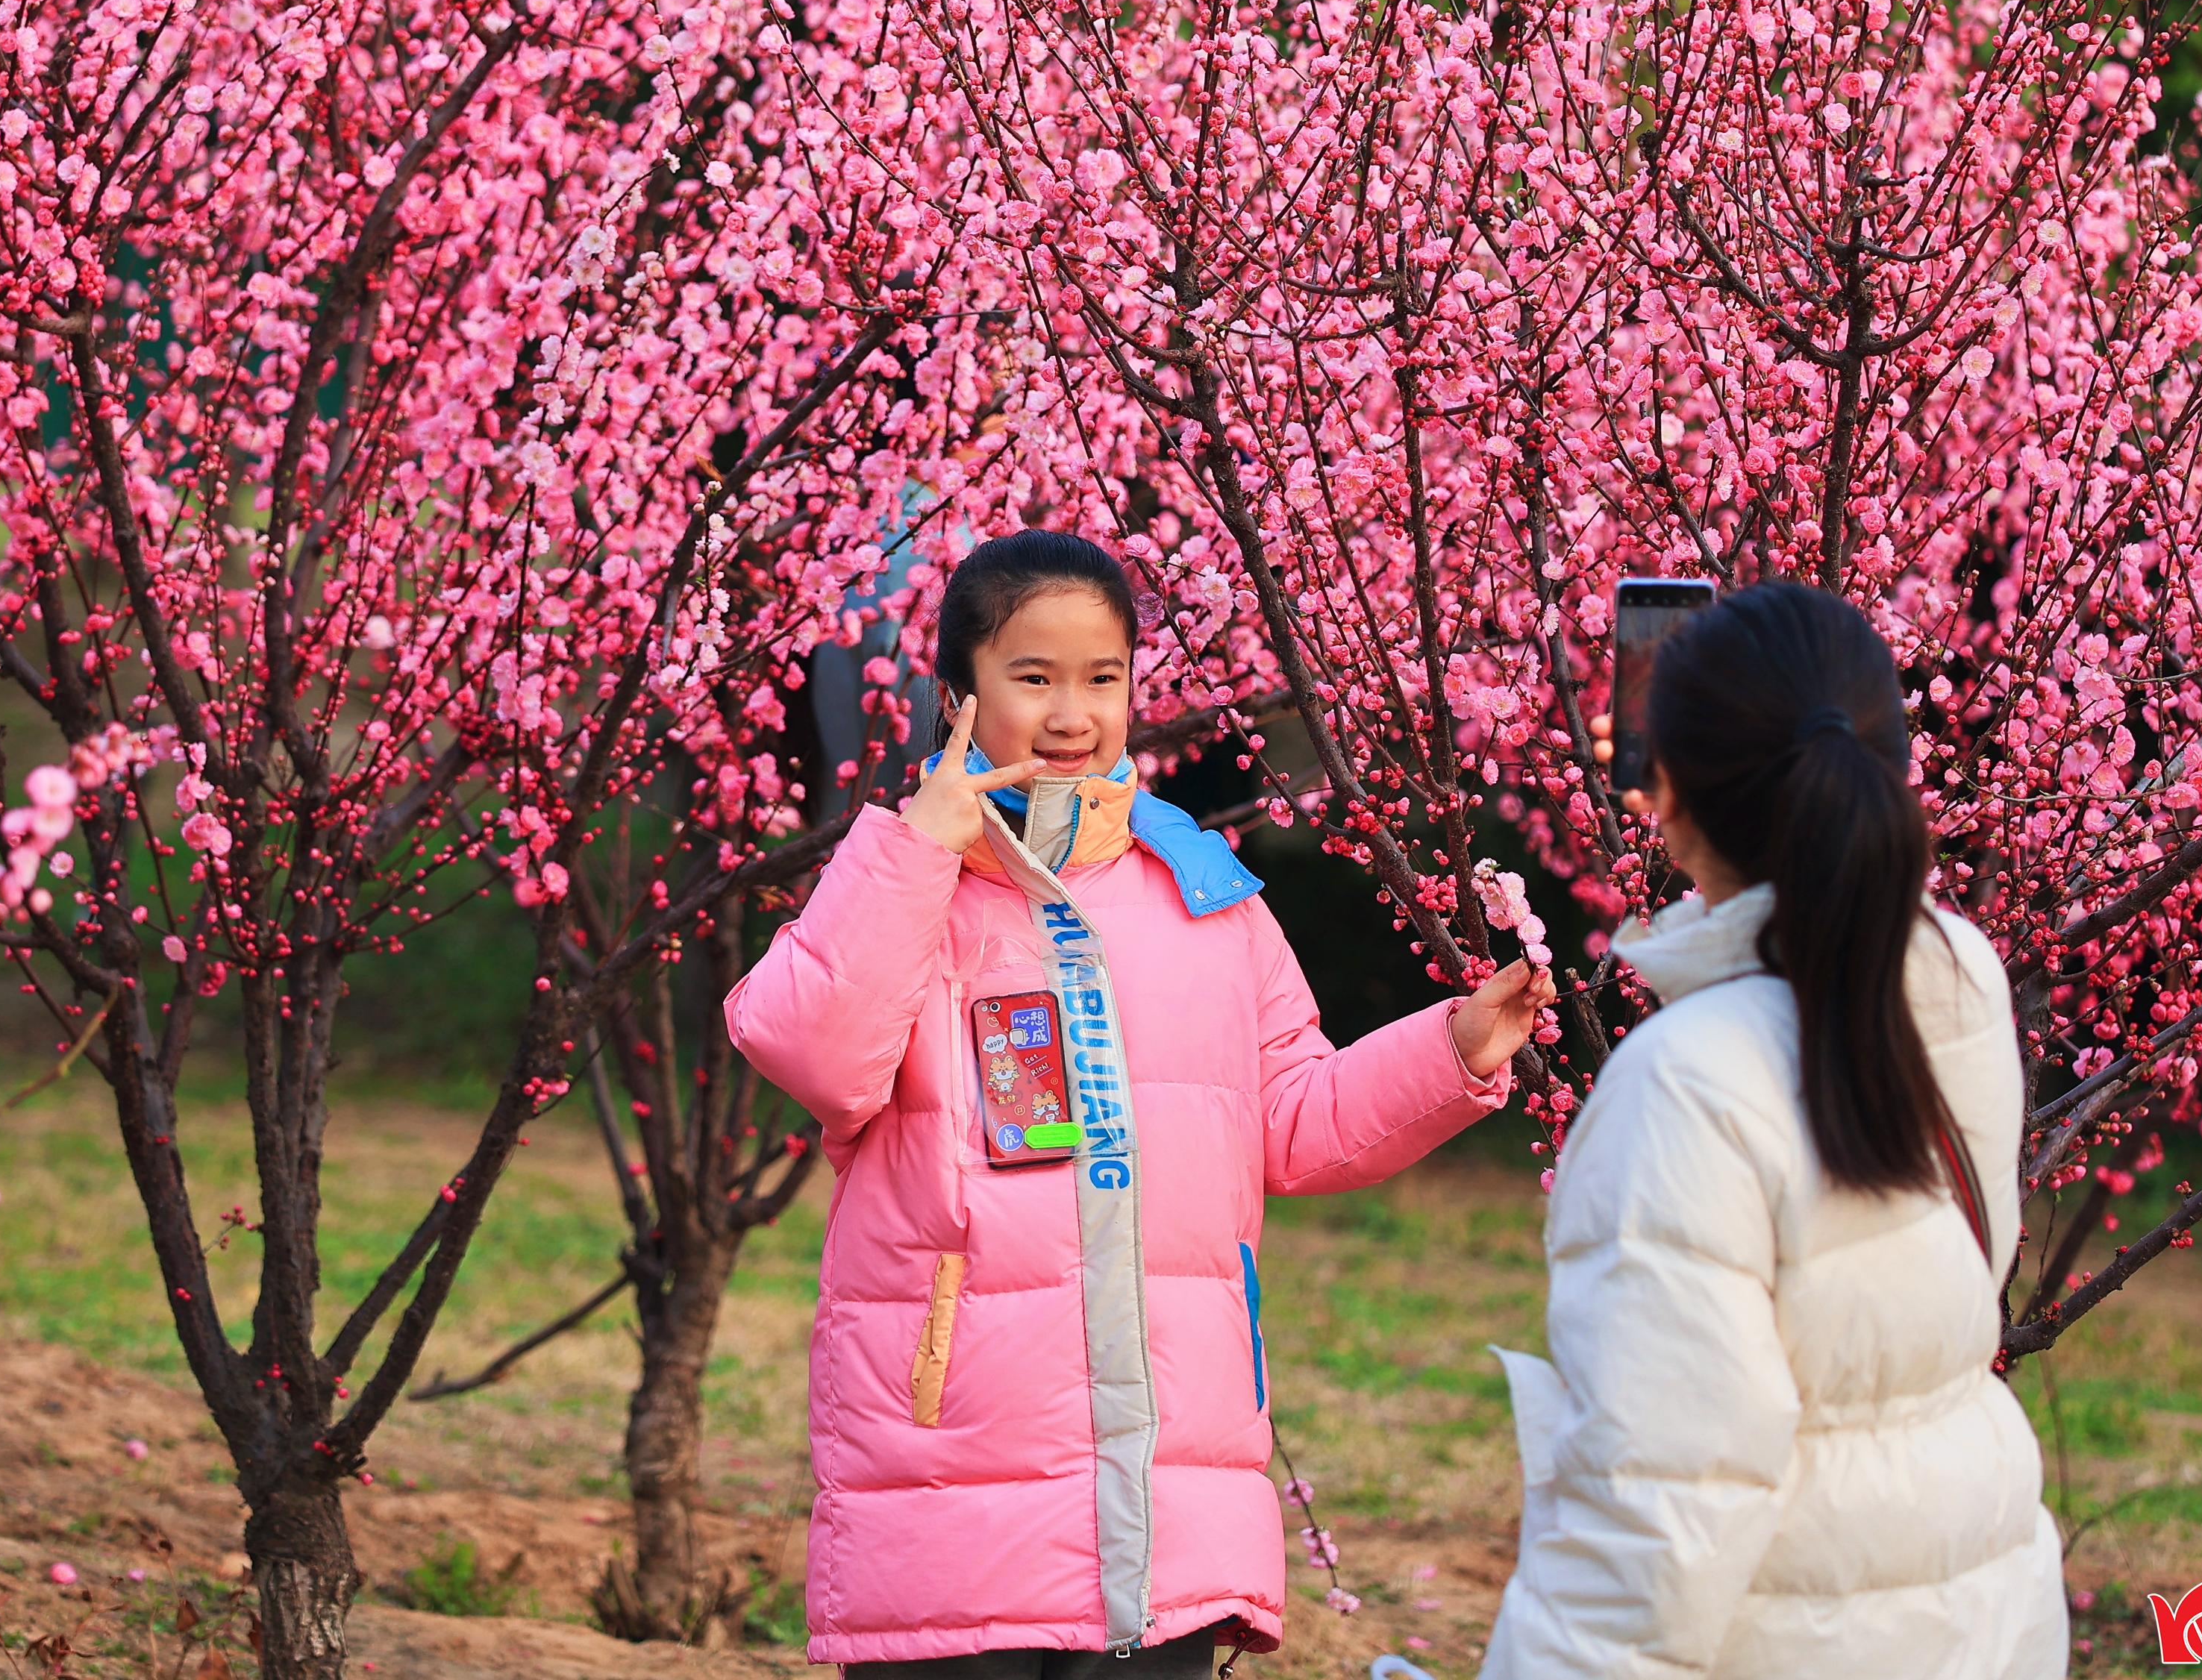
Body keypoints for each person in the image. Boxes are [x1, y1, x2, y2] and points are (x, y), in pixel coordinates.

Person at [727, 529, 1551, 1676]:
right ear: (959, 695)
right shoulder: (908, 885)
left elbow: (1297, 1119)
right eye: (1034, 677)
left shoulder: (1203, 894)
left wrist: (1454, 1047)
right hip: (952, 1485)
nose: (1073, 713)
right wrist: (921, 846)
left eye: (1102, 679)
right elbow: (815, 1050)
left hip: (1172, 1495)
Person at [1478, 580, 2065, 1680]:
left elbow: (1655, 1523)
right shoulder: (1956, 973)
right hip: (1979, 1608)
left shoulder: (1686, 1085)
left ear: (1669, 800)